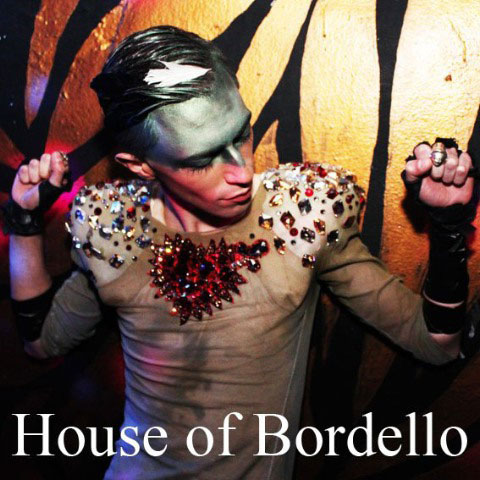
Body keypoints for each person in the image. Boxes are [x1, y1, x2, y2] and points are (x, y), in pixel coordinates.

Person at [4, 25, 476, 479]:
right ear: (140, 165)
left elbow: (436, 343)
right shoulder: (112, 229)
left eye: (241, 133)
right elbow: (41, 341)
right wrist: (25, 220)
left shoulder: (300, 216)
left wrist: (449, 225)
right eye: (202, 158)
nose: (240, 171)